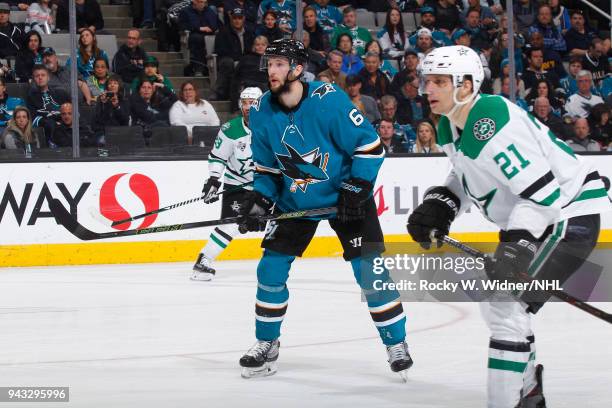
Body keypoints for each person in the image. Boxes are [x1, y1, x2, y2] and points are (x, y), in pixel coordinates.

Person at [408, 45, 610, 408]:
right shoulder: (450, 123)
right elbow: (467, 171)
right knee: (500, 304)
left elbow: (544, 195)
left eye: (439, 81)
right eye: (428, 80)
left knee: (503, 305)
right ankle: (527, 390)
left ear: (466, 85)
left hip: (566, 217)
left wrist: (517, 248)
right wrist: (444, 202)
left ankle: (517, 396)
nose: (428, 89)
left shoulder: (491, 119)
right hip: (538, 217)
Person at [238, 39, 412, 379]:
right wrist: (259, 199)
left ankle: (396, 343)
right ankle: (266, 342)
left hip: (347, 198)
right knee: (270, 270)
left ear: (298, 69)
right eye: (268, 64)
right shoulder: (260, 112)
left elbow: (371, 146)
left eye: (278, 64)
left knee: (370, 273)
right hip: (296, 202)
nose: (270, 70)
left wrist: (355, 188)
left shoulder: (328, 99)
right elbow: (268, 170)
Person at [190, 86, 262, 281]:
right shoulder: (231, 129)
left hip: (265, 187)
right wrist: (214, 180)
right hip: (236, 184)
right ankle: (203, 262)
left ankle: (274, 265)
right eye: (245, 103)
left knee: (277, 222)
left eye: (253, 103)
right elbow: (218, 157)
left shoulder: (273, 127)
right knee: (230, 225)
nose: (248, 107)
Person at [213, 7, 255, 101]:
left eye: (239, 18)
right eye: (235, 18)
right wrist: (237, 60)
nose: (237, 21)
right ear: (231, 19)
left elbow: (251, 50)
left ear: (243, 19)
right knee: (228, 62)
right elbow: (220, 50)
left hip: (244, 60)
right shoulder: (223, 32)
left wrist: (243, 60)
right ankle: (220, 92)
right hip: (227, 60)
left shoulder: (249, 33)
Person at [26, 65, 69, 145]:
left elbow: (71, 110)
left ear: (48, 77)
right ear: (34, 79)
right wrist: (51, 122)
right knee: (51, 125)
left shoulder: (61, 93)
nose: (40, 78)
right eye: (37, 76)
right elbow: (33, 118)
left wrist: (62, 120)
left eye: (43, 75)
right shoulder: (31, 97)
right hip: (47, 125)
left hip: (63, 120)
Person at [179, 0, 220, 76]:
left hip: (210, 33)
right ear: (194, 1)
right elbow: (183, 26)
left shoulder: (209, 11)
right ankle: (199, 68)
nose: (203, 4)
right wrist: (199, 28)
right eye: (201, 2)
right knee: (198, 39)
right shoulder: (185, 11)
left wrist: (212, 28)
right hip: (195, 33)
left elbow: (217, 24)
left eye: (205, 2)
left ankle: (216, 68)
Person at [93, 75, 130, 145]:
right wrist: (103, 104)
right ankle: (104, 155)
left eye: (115, 83)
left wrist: (116, 106)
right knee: (101, 141)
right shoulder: (101, 100)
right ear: (107, 87)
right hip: (104, 132)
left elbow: (125, 121)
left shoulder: (124, 101)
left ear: (120, 86)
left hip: (119, 132)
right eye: (110, 83)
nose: (112, 85)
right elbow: (96, 121)